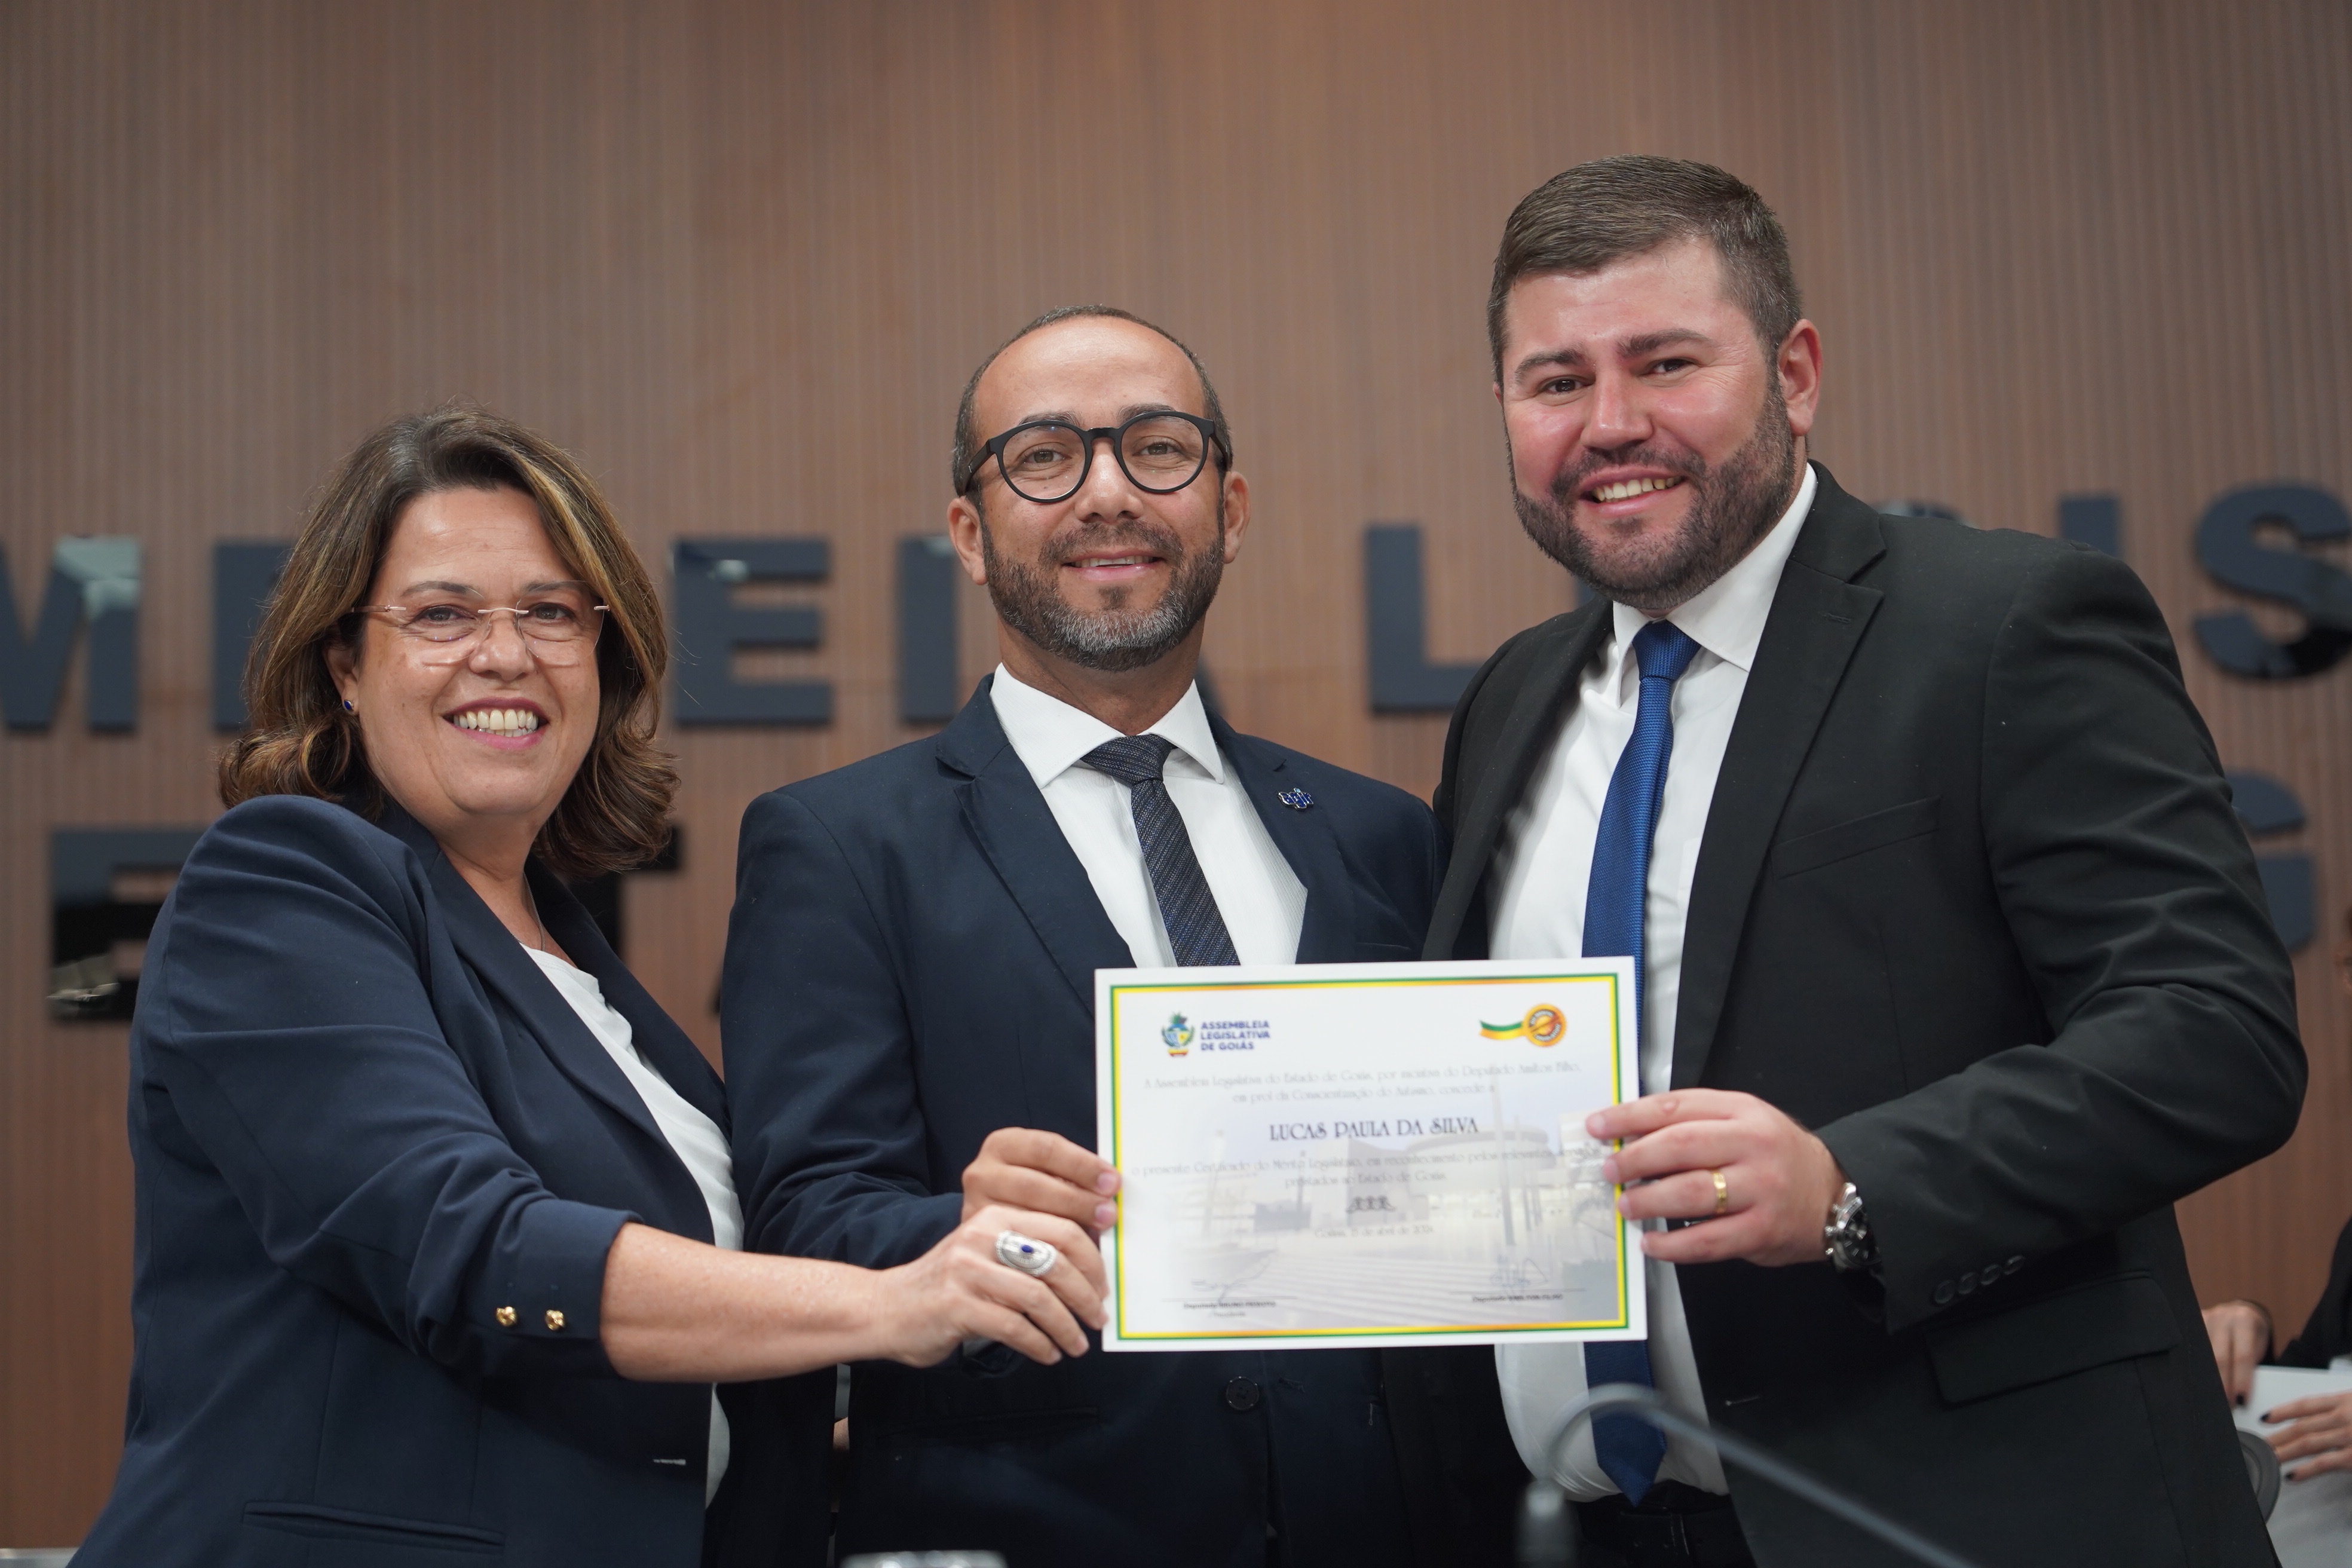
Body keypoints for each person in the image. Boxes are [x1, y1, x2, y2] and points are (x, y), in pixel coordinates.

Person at [1409, 156, 2304, 1566]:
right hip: (1596, 1531)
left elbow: (2216, 1036)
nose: (1611, 423)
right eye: (1557, 381)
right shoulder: (1516, 699)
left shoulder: (2007, 626)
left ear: (1796, 373)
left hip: (1965, 1518)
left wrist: (1850, 1183)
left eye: (1665, 362)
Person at [75, 408, 1105, 1568]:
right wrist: (899, 1303)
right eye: (442, 614)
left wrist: (978, 1242)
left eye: (552, 612)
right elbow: (473, 1253)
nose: (504, 654)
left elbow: (702, 1351)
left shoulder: (586, 977)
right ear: (344, 666)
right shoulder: (279, 883)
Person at [722, 306, 1509, 1566]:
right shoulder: (838, 846)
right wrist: (966, 1233)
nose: (1106, 494)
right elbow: (805, 1222)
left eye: (1158, 447)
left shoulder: (1381, 836)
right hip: (1032, 1528)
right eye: (1044, 456)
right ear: (970, 536)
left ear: (1229, 511)